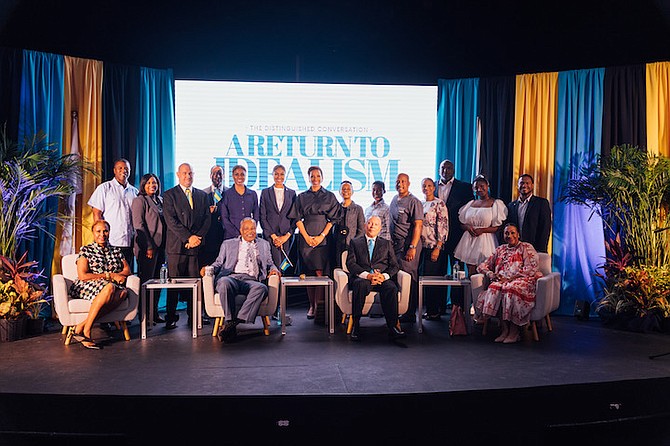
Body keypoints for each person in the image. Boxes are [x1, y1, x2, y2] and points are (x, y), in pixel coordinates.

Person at [201, 217, 281, 343]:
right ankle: (231, 321)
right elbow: (218, 263)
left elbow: (270, 263)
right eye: (247, 229)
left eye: (253, 228)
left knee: (262, 288)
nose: (250, 232)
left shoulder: (264, 244)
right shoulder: (228, 244)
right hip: (232, 277)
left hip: (252, 280)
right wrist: (208, 268)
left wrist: (274, 270)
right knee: (223, 283)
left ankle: (232, 323)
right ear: (241, 231)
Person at [287, 166, 341, 320]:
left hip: (323, 237)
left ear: (322, 177)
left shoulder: (329, 196)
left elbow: (334, 219)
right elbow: (296, 218)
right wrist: (306, 236)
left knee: (320, 273)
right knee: (309, 274)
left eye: (318, 175)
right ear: (308, 177)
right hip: (305, 236)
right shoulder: (302, 196)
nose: (315, 178)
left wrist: (321, 236)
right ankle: (311, 306)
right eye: (312, 176)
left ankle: (320, 306)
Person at [68, 220, 131, 349]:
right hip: (86, 285)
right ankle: (87, 330)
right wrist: (111, 275)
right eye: (98, 231)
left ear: (109, 232)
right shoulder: (86, 250)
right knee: (110, 287)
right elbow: (83, 276)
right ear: (93, 233)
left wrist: (119, 276)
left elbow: (127, 270)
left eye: (105, 231)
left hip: (109, 285)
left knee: (123, 293)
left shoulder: (116, 251)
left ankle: (80, 326)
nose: (102, 234)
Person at [162, 163, 211, 329]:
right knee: (174, 285)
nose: (187, 176)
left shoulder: (202, 196)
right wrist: (188, 237)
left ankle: (194, 316)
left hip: (196, 247)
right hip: (177, 248)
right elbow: (171, 221)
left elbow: (206, 220)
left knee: (195, 284)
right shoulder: (169, 195)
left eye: (190, 173)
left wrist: (196, 238)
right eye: (184, 173)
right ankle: (170, 317)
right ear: (178, 174)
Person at [475, 222, 542, 343]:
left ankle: (514, 331)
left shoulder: (526, 247)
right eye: (507, 233)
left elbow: (531, 268)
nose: (509, 235)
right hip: (502, 281)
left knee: (509, 289)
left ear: (518, 235)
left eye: (512, 233)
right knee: (495, 288)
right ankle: (505, 330)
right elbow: (482, 266)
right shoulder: (500, 249)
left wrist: (510, 279)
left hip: (522, 280)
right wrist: (491, 274)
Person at [346, 215, 405, 341]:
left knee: (391, 288)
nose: (372, 226)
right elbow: (351, 264)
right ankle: (356, 324)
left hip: (381, 278)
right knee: (360, 285)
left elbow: (395, 265)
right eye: (370, 223)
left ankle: (392, 326)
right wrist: (367, 275)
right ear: (365, 225)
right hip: (363, 277)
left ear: (380, 228)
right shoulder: (355, 242)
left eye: (376, 224)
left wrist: (383, 276)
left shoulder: (387, 244)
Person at [435, 159, 473, 311]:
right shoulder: (433, 186)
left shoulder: (464, 187)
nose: (446, 170)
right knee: (438, 273)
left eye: (449, 168)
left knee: (458, 273)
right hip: (436, 239)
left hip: (457, 237)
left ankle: (458, 308)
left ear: (454, 170)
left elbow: (470, 211)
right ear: (439, 170)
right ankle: (438, 308)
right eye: (443, 168)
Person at [87, 158, 139, 267]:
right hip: (111, 241)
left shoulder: (134, 191)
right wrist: (100, 237)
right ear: (114, 170)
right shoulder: (104, 188)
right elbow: (97, 213)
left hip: (129, 241)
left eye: (126, 169)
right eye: (120, 168)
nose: (123, 171)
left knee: (127, 275)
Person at [453, 175, 508, 277]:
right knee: (470, 273)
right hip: (469, 239)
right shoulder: (470, 204)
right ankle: (470, 293)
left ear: (487, 186)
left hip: (486, 240)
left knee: (485, 271)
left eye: (482, 186)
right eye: (476, 187)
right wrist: (468, 227)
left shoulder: (495, 204)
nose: (479, 189)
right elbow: (462, 224)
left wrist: (482, 230)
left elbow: (498, 227)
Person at [131, 173, 166, 323]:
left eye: (155, 182)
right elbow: (139, 225)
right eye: (149, 183)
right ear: (143, 185)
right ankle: (143, 315)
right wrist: (149, 246)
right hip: (147, 248)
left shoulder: (160, 201)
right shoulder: (140, 201)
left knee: (158, 281)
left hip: (162, 247)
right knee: (146, 281)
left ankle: (154, 312)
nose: (152, 185)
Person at [389, 173, 423, 324]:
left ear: (409, 183)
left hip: (409, 245)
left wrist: (412, 247)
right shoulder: (394, 200)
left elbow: (418, 225)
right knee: (398, 278)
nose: (400, 184)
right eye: (397, 181)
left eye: (403, 181)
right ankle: (400, 310)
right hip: (395, 245)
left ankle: (410, 313)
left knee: (409, 278)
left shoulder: (414, 201)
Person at [419, 177, 449, 321]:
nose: (427, 188)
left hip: (434, 247)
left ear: (434, 187)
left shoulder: (439, 204)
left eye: (429, 185)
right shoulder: (420, 204)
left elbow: (443, 226)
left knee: (433, 281)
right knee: (424, 280)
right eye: (424, 186)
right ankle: (429, 310)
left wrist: (438, 247)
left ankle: (435, 311)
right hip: (421, 247)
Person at [259, 164, 296, 272]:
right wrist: (273, 236)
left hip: (286, 237)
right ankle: (273, 288)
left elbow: (295, 217)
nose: (279, 177)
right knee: (273, 266)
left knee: (284, 266)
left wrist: (287, 236)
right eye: (276, 174)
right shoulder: (265, 192)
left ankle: (283, 288)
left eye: (282, 174)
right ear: (273, 175)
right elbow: (262, 216)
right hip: (271, 237)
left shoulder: (292, 193)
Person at [505, 174, 552, 253]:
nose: (524, 185)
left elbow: (545, 228)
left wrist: (541, 249)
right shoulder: (511, 206)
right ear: (517, 186)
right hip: (515, 249)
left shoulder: (541, 203)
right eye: (522, 183)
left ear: (532, 186)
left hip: (535, 248)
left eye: (527, 183)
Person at [220, 164, 259, 240]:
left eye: (242, 174)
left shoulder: (252, 194)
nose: (239, 177)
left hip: (249, 236)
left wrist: (250, 231)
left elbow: (256, 215)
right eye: (236, 174)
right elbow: (224, 217)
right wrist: (237, 233)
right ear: (233, 176)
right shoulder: (226, 194)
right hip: (231, 236)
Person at [200, 165, 227, 268]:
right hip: (209, 238)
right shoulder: (202, 194)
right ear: (210, 176)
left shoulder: (229, 193)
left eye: (219, 173)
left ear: (223, 176)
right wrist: (207, 212)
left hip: (226, 236)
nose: (217, 176)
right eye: (215, 173)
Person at [334, 180, 365, 268]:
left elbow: (361, 230)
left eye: (348, 189)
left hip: (351, 246)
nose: (346, 191)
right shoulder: (336, 208)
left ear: (352, 191)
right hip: (338, 245)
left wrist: (355, 244)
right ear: (340, 192)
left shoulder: (358, 209)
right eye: (343, 189)